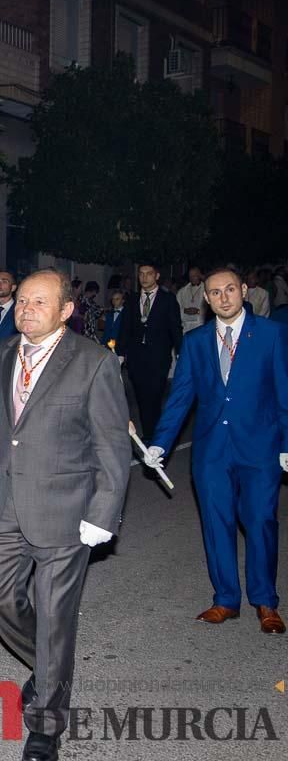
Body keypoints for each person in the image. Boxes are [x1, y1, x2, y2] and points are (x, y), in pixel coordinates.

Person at [0, 269, 129, 761]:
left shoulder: (93, 362)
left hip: (65, 513)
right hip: (1, 507)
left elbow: (111, 445)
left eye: (39, 302)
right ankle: (51, 666)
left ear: (65, 310)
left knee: (54, 615)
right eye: (22, 300)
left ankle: (46, 724)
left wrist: (103, 512)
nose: (26, 309)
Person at [145, 268, 288, 634]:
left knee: (260, 522)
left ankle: (265, 601)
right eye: (215, 293)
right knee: (216, 523)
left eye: (229, 290)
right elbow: (180, 398)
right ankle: (225, 599)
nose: (223, 297)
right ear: (206, 299)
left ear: (244, 291)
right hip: (211, 452)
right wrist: (160, 442)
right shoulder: (196, 341)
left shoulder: (272, 335)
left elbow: (285, 393)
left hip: (260, 449)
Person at [117, 264, 181, 440]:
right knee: (141, 398)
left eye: (149, 274)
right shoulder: (132, 299)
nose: (144, 277)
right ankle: (150, 432)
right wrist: (120, 354)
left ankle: (154, 436)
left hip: (158, 359)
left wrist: (181, 353)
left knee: (153, 398)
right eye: (141, 274)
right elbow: (125, 328)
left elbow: (175, 328)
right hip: (137, 359)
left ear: (157, 276)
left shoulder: (167, 299)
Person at [176, 266, 205, 334]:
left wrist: (198, 311)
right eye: (191, 276)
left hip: (201, 324)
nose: (192, 278)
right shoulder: (182, 291)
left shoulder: (206, 290)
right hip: (186, 326)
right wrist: (185, 310)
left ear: (199, 275)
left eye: (195, 275)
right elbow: (176, 309)